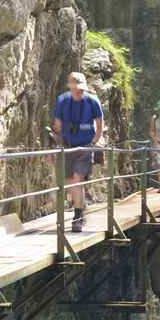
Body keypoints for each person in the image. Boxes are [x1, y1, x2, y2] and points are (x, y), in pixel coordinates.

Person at [54, 72, 104, 232]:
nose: (78, 92)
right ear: (70, 87)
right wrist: (59, 140)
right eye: (75, 89)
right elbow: (57, 124)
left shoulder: (92, 101)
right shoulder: (62, 101)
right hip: (68, 146)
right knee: (70, 182)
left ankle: (77, 218)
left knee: (76, 179)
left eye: (80, 89)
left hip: (84, 146)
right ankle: (81, 205)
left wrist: (94, 142)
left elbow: (99, 124)